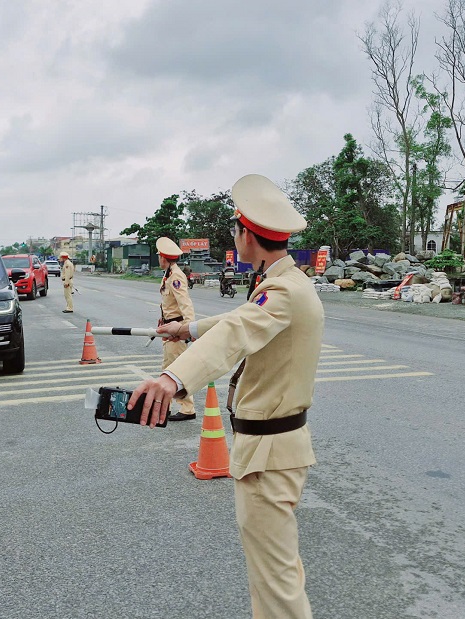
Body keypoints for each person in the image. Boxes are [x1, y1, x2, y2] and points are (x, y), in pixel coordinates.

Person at [130, 174, 323, 618]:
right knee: (276, 574)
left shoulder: (281, 292)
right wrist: (187, 329)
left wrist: (172, 378)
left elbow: (238, 330)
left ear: (246, 235)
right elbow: (241, 318)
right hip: (273, 448)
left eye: (235, 230)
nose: (233, 237)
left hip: (269, 453)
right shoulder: (284, 284)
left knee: (275, 584)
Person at [155, 236, 197, 421]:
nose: (158, 259)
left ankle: (187, 408)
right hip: (168, 327)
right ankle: (169, 406)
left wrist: (189, 329)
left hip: (176, 329)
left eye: (159, 256)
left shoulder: (176, 276)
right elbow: (170, 303)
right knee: (169, 367)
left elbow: (185, 304)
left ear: (163, 258)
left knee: (176, 370)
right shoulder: (169, 274)